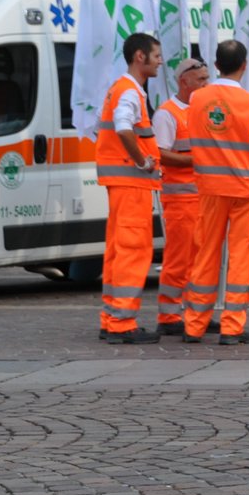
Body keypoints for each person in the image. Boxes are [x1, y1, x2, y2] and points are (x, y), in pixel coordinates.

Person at [182, 40, 249, 345]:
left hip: (210, 188)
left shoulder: (197, 99)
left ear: (216, 65)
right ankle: (231, 327)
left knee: (205, 254)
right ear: (245, 65)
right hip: (246, 190)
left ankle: (194, 325)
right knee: (241, 258)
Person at [95, 32, 164, 344]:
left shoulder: (119, 88)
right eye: (157, 56)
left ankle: (112, 318)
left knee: (118, 250)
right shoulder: (130, 93)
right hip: (131, 181)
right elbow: (123, 128)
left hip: (120, 182)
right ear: (140, 57)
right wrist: (142, 160)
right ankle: (123, 323)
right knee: (134, 250)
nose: (160, 61)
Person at [150, 56, 210, 338]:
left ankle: (196, 313)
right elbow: (159, 153)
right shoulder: (167, 113)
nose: (206, 83)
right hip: (181, 200)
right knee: (179, 260)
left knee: (201, 261)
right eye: (201, 79)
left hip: (203, 199)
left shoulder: (204, 109)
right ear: (183, 81)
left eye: (207, 78)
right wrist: (196, 161)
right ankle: (169, 315)